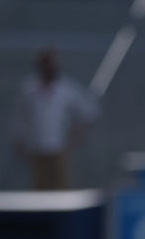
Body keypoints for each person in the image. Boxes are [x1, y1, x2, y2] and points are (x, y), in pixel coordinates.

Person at [10, 46, 99, 190]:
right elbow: (20, 118)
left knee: (60, 188)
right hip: (36, 149)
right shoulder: (28, 89)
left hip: (58, 149)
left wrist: (77, 134)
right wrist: (19, 142)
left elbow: (89, 111)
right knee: (39, 189)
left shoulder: (66, 89)